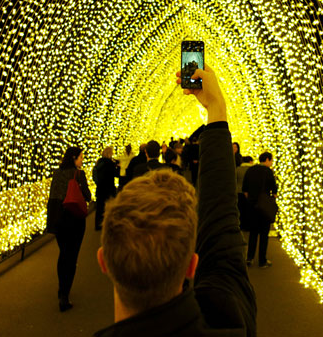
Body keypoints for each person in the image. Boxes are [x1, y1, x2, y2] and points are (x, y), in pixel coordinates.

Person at [94, 64, 256, 336]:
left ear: (104, 262)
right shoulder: (229, 320)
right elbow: (221, 227)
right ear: (191, 266)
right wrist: (216, 109)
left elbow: (221, 230)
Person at [46, 147, 92, 312]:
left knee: (63, 253)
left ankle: (61, 289)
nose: (82, 160)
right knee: (72, 257)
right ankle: (65, 295)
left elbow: (53, 196)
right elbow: (87, 196)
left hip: (59, 219)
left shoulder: (57, 174)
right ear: (73, 158)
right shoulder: (79, 174)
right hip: (75, 220)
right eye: (81, 157)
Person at [242, 152, 277, 268]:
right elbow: (274, 190)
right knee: (263, 234)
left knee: (253, 233)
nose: (271, 163)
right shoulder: (268, 172)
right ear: (267, 159)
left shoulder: (251, 170)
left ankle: (249, 258)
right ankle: (262, 260)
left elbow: (245, 190)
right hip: (264, 208)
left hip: (252, 206)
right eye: (271, 160)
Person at [94, 147, 117, 231]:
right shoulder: (110, 163)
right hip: (109, 188)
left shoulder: (99, 162)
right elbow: (115, 174)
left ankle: (98, 225)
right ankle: (109, 225)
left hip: (100, 188)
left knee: (99, 207)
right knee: (110, 207)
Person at [236, 155, 254, 230]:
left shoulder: (238, 169)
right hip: (249, 192)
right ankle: (248, 225)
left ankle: (240, 224)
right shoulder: (252, 169)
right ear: (250, 161)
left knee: (240, 209)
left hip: (239, 191)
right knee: (248, 209)